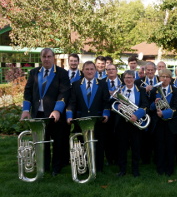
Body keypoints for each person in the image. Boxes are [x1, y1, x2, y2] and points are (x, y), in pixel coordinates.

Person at [21, 48, 70, 176]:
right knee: (42, 141)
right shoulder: (33, 72)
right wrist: (26, 109)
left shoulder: (62, 73)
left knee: (58, 142)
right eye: (44, 57)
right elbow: (28, 91)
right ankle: (45, 166)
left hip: (55, 114)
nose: (46, 59)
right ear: (41, 58)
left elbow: (64, 92)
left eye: (49, 56)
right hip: (39, 114)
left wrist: (57, 110)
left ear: (53, 58)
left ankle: (56, 167)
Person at [66, 61, 110, 173]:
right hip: (81, 120)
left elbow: (106, 102)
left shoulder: (102, 84)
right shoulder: (76, 84)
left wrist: (106, 114)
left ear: (95, 71)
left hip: (98, 121)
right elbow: (72, 102)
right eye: (87, 69)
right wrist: (69, 116)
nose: (89, 71)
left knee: (98, 145)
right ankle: (84, 168)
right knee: (82, 144)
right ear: (83, 71)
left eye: (91, 69)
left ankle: (98, 168)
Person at [114, 70, 149, 177]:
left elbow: (145, 105)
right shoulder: (119, 91)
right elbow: (113, 103)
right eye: (126, 78)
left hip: (135, 122)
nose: (128, 80)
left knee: (136, 147)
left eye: (130, 77)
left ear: (134, 78)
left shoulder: (141, 90)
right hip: (122, 123)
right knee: (122, 147)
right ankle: (122, 169)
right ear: (123, 79)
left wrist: (137, 115)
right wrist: (117, 106)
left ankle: (135, 170)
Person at [149, 69, 177, 176]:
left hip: (171, 122)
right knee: (159, 146)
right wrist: (155, 104)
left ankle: (170, 169)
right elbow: (150, 107)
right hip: (158, 123)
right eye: (162, 76)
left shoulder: (175, 90)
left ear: (171, 79)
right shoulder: (155, 91)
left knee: (170, 146)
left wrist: (165, 114)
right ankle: (160, 168)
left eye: (167, 77)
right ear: (159, 78)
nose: (165, 79)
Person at [134, 62, 159, 164]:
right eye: (147, 70)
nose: (149, 72)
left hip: (156, 112)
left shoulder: (159, 81)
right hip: (143, 111)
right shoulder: (138, 81)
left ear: (155, 70)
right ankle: (144, 158)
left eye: (151, 70)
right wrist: (144, 89)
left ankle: (155, 157)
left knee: (155, 135)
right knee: (143, 136)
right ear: (145, 71)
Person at [104, 64, 123, 166]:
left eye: (113, 69)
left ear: (116, 70)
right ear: (106, 71)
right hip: (107, 112)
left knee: (119, 136)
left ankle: (118, 158)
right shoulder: (102, 83)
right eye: (109, 70)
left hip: (120, 113)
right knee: (108, 136)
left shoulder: (123, 82)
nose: (111, 71)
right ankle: (109, 159)